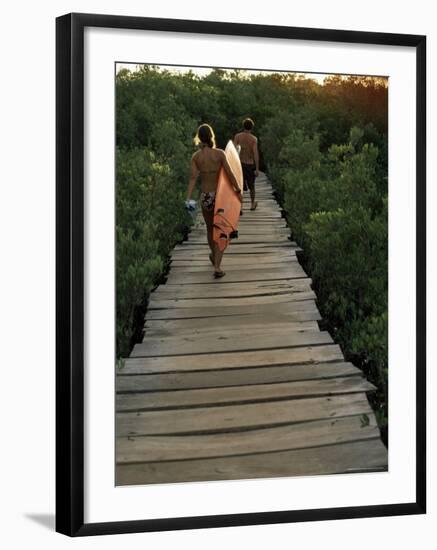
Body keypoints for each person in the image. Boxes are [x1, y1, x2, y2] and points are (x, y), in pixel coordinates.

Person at [186, 123, 242, 279]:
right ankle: (217, 267)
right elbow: (230, 174)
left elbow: (192, 178)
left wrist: (188, 198)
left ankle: (213, 255)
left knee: (211, 230)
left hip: (205, 196)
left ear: (199, 137)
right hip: (219, 196)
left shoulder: (196, 157)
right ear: (211, 136)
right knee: (222, 230)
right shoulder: (219, 154)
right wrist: (238, 190)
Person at [233, 118, 259, 210]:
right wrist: (257, 169)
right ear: (252, 127)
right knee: (252, 186)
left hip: (239, 164)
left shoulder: (237, 137)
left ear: (243, 126)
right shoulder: (254, 139)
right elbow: (255, 153)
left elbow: (234, 151)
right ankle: (252, 204)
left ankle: (240, 206)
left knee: (239, 186)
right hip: (250, 164)